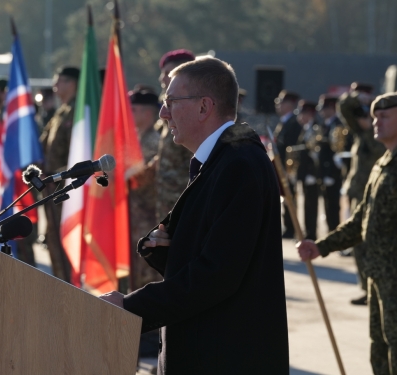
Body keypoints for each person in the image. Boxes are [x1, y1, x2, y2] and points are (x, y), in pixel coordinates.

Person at [100, 57, 289, 374]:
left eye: (171, 101)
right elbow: (218, 253)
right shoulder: (220, 160)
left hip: (225, 355)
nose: (163, 113)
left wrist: (131, 306)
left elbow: (217, 275)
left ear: (204, 107)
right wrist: (167, 251)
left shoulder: (239, 164)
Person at [297, 92, 397, 375]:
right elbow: (361, 220)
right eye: (375, 116)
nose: (376, 122)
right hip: (379, 277)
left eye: (385, 116)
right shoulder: (382, 165)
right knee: (380, 349)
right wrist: (321, 246)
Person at [338, 84, 385, 305]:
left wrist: (369, 126)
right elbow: (344, 107)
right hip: (360, 192)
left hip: (380, 193)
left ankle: (377, 290)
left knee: (377, 244)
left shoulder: (382, 133)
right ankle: (367, 289)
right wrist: (358, 97)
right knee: (359, 244)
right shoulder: (362, 129)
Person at [127, 89, 163, 357]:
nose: (131, 113)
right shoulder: (136, 138)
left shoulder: (154, 141)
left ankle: (151, 335)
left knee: (148, 274)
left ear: (149, 112)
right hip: (133, 217)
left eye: (135, 109)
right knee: (134, 275)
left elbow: (143, 178)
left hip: (149, 218)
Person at [39, 66, 79, 282]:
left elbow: (79, 155)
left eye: (60, 81)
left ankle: (70, 289)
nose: (55, 86)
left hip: (66, 188)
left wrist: (57, 177)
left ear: (71, 83)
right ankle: (62, 284)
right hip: (53, 187)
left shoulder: (78, 112)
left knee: (66, 240)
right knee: (54, 239)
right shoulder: (61, 111)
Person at [154, 50, 195, 221]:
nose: (161, 79)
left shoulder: (191, 111)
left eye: (167, 73)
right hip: (166, 202)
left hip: (184, 203)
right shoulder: (169, 112)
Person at [274, 90, 301, 238]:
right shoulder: (284, 122)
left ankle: (291, 227)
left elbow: (291, 147)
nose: (278, 105)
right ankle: (288, 226)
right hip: (281, 166)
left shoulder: (293, 123)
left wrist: (288, 169)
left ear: (289, 104)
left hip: (288, 167)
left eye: (281, 102)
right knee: (285, 197)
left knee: (290, 197)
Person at [316, 95, 343, 233]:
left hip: (334, 172)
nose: (322, 111)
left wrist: (332, 173)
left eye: (325, 108)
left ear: (332, 108)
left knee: (334, 205)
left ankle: (334, 231)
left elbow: (337, 150)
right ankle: (330, 231)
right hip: (324, 171)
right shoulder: (325, 124)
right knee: (327, 204)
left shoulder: (338, 124)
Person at [295, 101, 320, 240]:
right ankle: (307, 232)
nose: (300, 117)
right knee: (305, 204)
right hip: (305, 173)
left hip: (312, 174)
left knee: (312, 205)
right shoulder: (306, 128)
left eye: (302, 114)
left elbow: (315, 153)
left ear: (310, 114)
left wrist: (312, 173)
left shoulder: (315, 129)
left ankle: (312, 233)